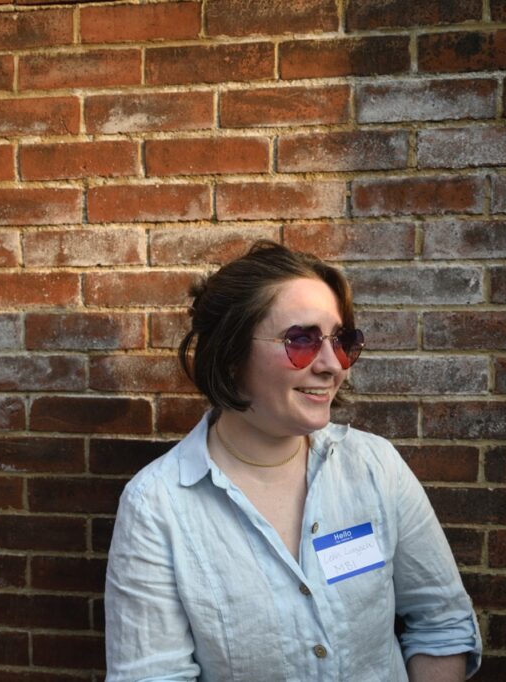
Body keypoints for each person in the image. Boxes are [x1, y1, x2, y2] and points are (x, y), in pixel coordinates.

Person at [105, 241, 481, 681]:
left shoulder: (374, 467)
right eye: (300, 340)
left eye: (341, 341)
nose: (332, 365)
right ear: (229, 357)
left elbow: (441, 623)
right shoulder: (158, 505)